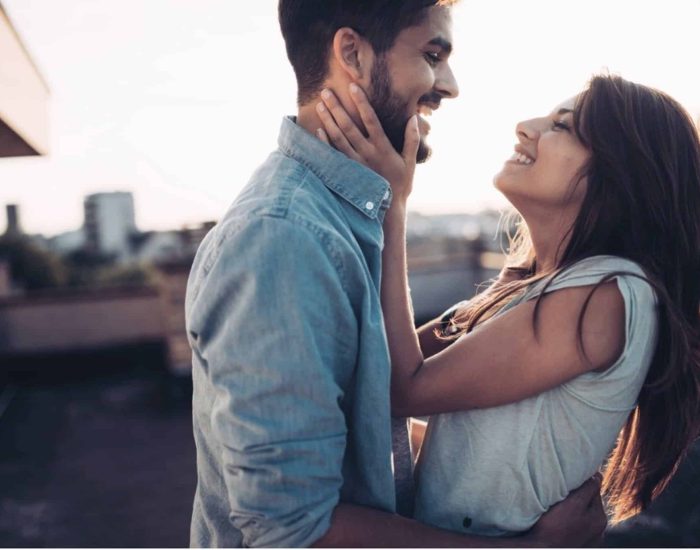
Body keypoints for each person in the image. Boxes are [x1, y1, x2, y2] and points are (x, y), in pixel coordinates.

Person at [185, 0, 606, 546]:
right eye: (432, 55)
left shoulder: (341, 218)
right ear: (352, 54)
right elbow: (293, 531)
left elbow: (360, 430)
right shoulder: (283, 238)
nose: (449, 85)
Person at [315, 73, 700, 537]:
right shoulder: (530, 285)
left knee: (317, 527)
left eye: (563, 127)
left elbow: (400, 388)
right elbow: (390, 381)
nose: (526, 126)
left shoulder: (609, 294)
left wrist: (391, 202)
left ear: (619, 175)